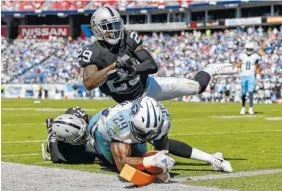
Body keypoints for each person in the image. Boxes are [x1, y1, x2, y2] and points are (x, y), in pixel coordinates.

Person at [79, 6, 238, 104]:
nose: (114, 30)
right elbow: (89, 83)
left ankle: (210, 70)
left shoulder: (128, 38)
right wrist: (114, 66)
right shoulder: (93, 52)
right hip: (124, 104)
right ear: (98, 29)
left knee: (198, 87)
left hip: (149, 86)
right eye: (109, 26)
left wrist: (133, 69)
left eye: (116, 25)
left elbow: (151, 65)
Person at [42, 97, 233, 174]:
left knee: (161, 149)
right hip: (101, 133)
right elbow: (122, 164)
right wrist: (151, 163)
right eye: (143, 132)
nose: (147, 136)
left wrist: (160, 158)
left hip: (124, 126)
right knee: (125, 162)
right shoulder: (116, 126)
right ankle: (59, 133)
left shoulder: (161, 117)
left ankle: (212, 159)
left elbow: (163, 146)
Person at [236, 42, 261, 115]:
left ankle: (250, 108)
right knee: (243, 93)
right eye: (248, 49)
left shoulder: (255, 56)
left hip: (251, 76)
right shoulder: (242, 56)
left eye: (250, 49)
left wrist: (258, 76)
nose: (249, 50)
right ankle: (243, 107)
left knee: (250, 92)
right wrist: (237, 71)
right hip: (243, 76)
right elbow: (238, 65)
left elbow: (257, 67)